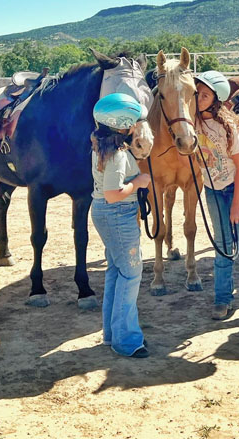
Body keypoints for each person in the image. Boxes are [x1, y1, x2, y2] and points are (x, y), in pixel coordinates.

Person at [194, 70, 239, 327]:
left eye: (204, 95)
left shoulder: (230, 127)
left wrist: (237, 204)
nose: (199, 98)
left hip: (238, 187)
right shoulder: (191, 123)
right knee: (222, 245)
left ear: (216, 99)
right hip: (212, 189)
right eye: (197, 94)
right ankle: (223, 299)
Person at [91, 93, 151, 358]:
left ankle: (112, 333)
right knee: (131, 272)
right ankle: (126, 340)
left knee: (116, 270)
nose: (136, 125)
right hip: (118, 213)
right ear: (124, 123)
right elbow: (113, 193)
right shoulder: (115, 154)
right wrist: (137, 183)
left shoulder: (101, 146)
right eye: (134, 121)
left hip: (107, 214)